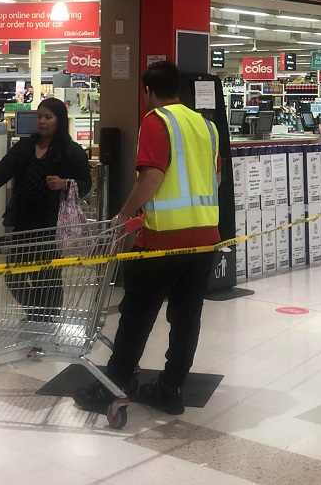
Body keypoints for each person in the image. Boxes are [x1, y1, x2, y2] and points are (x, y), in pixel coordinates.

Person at [75, 61, 221, 416]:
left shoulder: (157, 121)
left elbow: (152, 177)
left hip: (163, 241)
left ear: (147, 92)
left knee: (136, 315)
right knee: (187, 318)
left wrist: (124, 216)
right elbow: (215, 181)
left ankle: (115, 385)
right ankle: (170, 389)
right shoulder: (207, 126)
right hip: (204, 241)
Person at [0, 98, 91, 320]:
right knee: (13, 275)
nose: (42, 121)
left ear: (59, 120)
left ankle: (45, 319)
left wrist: (65, 183)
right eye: (39, 116)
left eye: (48, 117)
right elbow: (3, 170)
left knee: (47, 275)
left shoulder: (71, 151)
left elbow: (85, 184)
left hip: (51, 223)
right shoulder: (25, 147)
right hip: (23, 220)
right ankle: (39, 313)